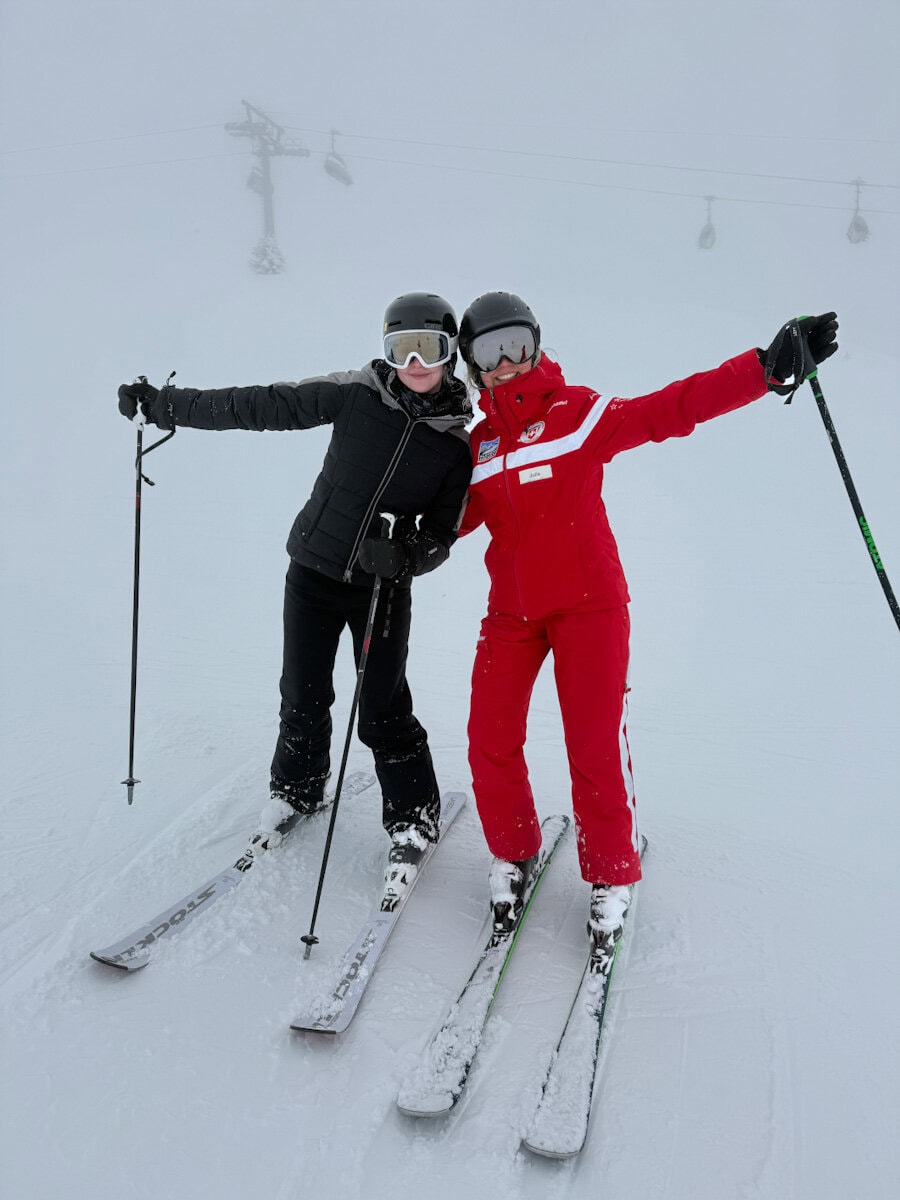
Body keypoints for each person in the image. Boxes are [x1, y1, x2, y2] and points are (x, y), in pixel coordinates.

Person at [456, 291, 838, 968]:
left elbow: (670, 408)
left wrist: (764, 369)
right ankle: (513, 853)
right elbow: (445, 522)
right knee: (489, 736)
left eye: (518, 343)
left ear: (537, 344)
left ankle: (610, 874)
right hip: (511, 612)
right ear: (472, 366)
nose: (507, 361)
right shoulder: (479, 444)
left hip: (588, 606)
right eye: (490, 351)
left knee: (594, 742)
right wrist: (386, 543)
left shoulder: (577, 413)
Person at [117, 292, 472, 886]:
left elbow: (443, 533)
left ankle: (413, 818)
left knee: (383, 708)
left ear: (449, 354)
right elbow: (263, 404)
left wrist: (407, 555)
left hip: (381, 590)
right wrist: (167, 405)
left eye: (428, 349)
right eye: (401, 349)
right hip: (312, 571)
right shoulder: (355, 393)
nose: (414, 363)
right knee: (302, 695)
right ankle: (297, 790)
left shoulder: (455, 443)